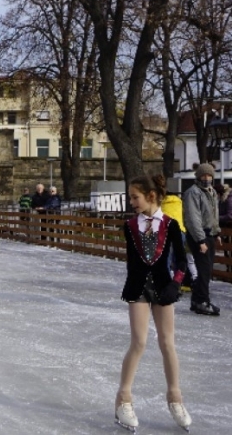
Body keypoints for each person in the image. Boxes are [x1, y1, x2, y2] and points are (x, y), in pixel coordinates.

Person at [114, 174, 191, 433]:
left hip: (163, 286)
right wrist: (132, 284)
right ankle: (123, 400)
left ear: (151, 196)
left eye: (135, 197)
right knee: (139, 342)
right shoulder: (130, 226)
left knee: (167, 343)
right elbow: (131, 261)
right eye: (130, 197)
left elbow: (182, 261)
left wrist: (175, 284)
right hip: (137, 287)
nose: (131, 202)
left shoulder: (169, 225)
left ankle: (175, 399)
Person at [182, 163, 222, 316]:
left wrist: (216, 232)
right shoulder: (193, 192)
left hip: (209, 235)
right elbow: (193, 218)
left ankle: (196, 300)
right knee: (204, 271)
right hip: (199, 236)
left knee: (207, 270)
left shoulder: (211, 192)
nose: (206, 178)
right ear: (198, 176)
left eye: (209, 176)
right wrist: (200, 240)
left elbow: (213, 215)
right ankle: (202, 301)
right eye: (203, 176)